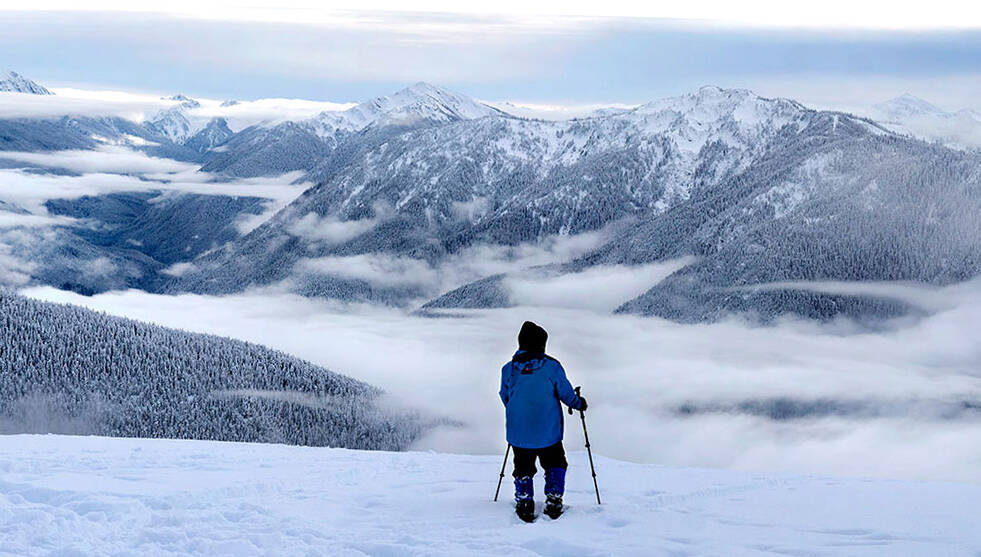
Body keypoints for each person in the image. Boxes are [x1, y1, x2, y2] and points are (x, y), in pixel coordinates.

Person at [499, 321, 587, 521]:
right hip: (548, 431)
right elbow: (565, 393)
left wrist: (519, 413)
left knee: (522, 466)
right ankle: (554, 499)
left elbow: (505, 396)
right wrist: (579, 403)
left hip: (519, 431)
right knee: (556, 462)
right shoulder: (551, 367)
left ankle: (524, 500)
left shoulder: (508, 370)